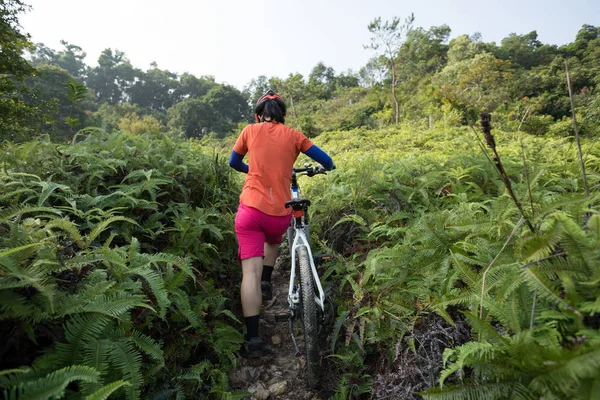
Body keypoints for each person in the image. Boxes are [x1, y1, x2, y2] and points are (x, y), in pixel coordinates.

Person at [229, 90, 335, 357]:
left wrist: (252, 170)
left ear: (258, 115)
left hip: (250, 210)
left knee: (247, 275)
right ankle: (267, 279)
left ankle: (253, 340)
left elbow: (234, 162)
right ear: (282, 116)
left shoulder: (249, 131)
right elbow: (328, 162)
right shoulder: (294, 135)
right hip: (279, 213)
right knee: (274, 238)